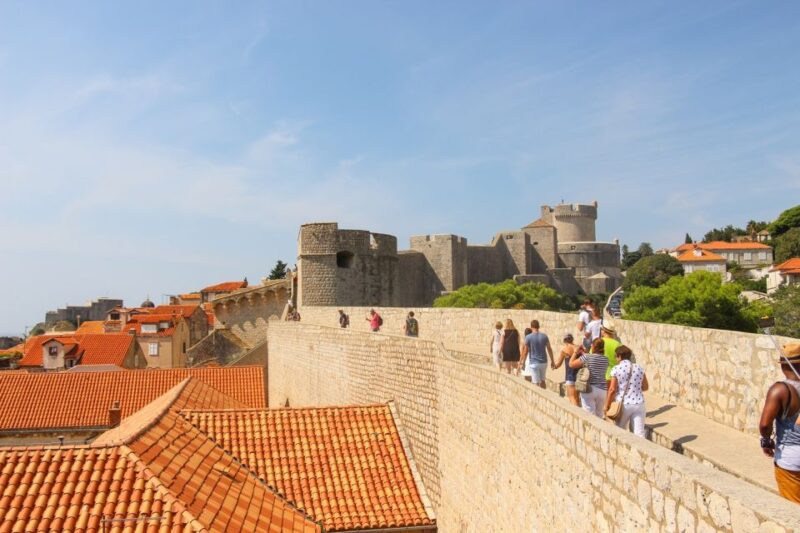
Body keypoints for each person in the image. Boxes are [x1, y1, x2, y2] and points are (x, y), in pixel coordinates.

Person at [759, 343, 800, 503]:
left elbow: (764, 424)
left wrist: (766, 440)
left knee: (794, 510)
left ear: (783, 366)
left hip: (791, 460)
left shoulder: (780, 390)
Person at [604, 345, 648, 437]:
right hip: (639, 403)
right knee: (639, 433)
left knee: (619, 431)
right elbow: (645, 387)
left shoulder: (616, 369)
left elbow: (612, 389)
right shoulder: (639, 368)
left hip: (623, 404)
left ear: (620, 356)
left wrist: (607, 405)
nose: (616, 359)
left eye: (616, 356)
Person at [569, 338, 609, 417]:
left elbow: (571, 364)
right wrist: (584, 353)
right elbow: (594, 359)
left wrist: (575, 352)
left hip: (589, 389)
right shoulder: (606, 359)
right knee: (599, 415)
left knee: (589, 415)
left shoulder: (587, 357)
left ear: (593, 346)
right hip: (602, 390)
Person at [520, 320, 554, 389]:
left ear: (531, 327)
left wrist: (523, 363)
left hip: (534, 363)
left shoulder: (528, 337)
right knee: (543, 381)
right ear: (539, 326)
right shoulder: (544, 336)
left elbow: (525, 351)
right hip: (544, 362)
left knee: (536, 383)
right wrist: (552, 361)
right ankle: (545, 396)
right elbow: (549, 349)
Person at [554, 333, 581, 406]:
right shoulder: (578, 348)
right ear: (572, 340)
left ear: (565, 341)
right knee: (577, 398)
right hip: (579, 376)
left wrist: (554, 366)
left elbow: (559, 364)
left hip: (570, 376)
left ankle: (576, 413)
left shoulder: (564, 350)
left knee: (571, 397)